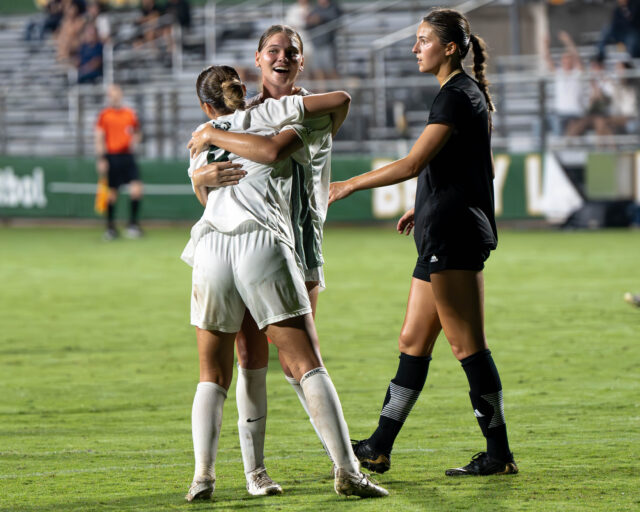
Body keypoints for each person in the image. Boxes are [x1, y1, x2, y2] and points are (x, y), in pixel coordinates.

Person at [181, 64, 388, 501]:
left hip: (210, 247)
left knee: (212, 373)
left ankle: (204, 477)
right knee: (306, 361)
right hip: (261, 242)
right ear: (248, 82)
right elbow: (323, 114)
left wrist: (205, 157)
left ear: (205, 105)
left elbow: (205, 195)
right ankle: (348, 471)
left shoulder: (202, 136)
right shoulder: (271, 115)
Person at [329, 8, 518, 477]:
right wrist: (425, 203)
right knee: (413, 341)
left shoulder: (456, 96)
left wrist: (348, 185)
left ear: (450, 48)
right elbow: (468, 168)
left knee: (467, 346)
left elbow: (414, 163)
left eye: (423, 40)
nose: (415, 48)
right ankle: (378, 446)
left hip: (453, 237)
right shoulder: (459, 95)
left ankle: (499, 454)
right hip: (441, 228)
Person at [187, 25, 337, 496]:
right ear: (257, 60)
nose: (282, 57)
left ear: (300, 62)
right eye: (274, 50)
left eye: (291, 52)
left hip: (297, 245)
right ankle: (257, 472)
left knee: (300, 358)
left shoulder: (303, 110)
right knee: (251, 355)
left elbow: (272, 152)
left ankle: (343, 460)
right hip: (253, 248)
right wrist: (202, 176)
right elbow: (215, 197)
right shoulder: (244, 116)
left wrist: (212, 135)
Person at [95, 84, 143, 240]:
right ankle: (110, 228)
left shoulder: (130, 114)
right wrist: (102, 158)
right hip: (112, 156)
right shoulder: (105, 115)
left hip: (127, 156)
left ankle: (133, 225)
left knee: (136, 190)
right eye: (111, 94)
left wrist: (136, 138)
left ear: (120, 95)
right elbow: (99, 137)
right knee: (112, 193)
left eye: (116, 93)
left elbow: (137, 132)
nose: (114, 96)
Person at [543, 31, 586, 136]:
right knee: (540, 122)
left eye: (568, 59)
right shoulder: (559, 73)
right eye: (564, 59)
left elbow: (577, 58)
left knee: (568, 125)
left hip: (575, 113)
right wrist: (545, 45)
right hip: (560, 113)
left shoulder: (577, 73)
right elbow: (547, 59)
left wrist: (568, 42)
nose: (566, 61)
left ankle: (562, 144)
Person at [306, 0, 342, 80]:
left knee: (331, 70)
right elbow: (307, 24)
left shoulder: (334, 8)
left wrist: (321, 19)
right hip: (316, 44)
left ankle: (339, 91)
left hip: (328, 44)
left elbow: (336, 21)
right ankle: (322, 92)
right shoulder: (315, 9)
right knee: (318, 71)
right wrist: (311, 21)